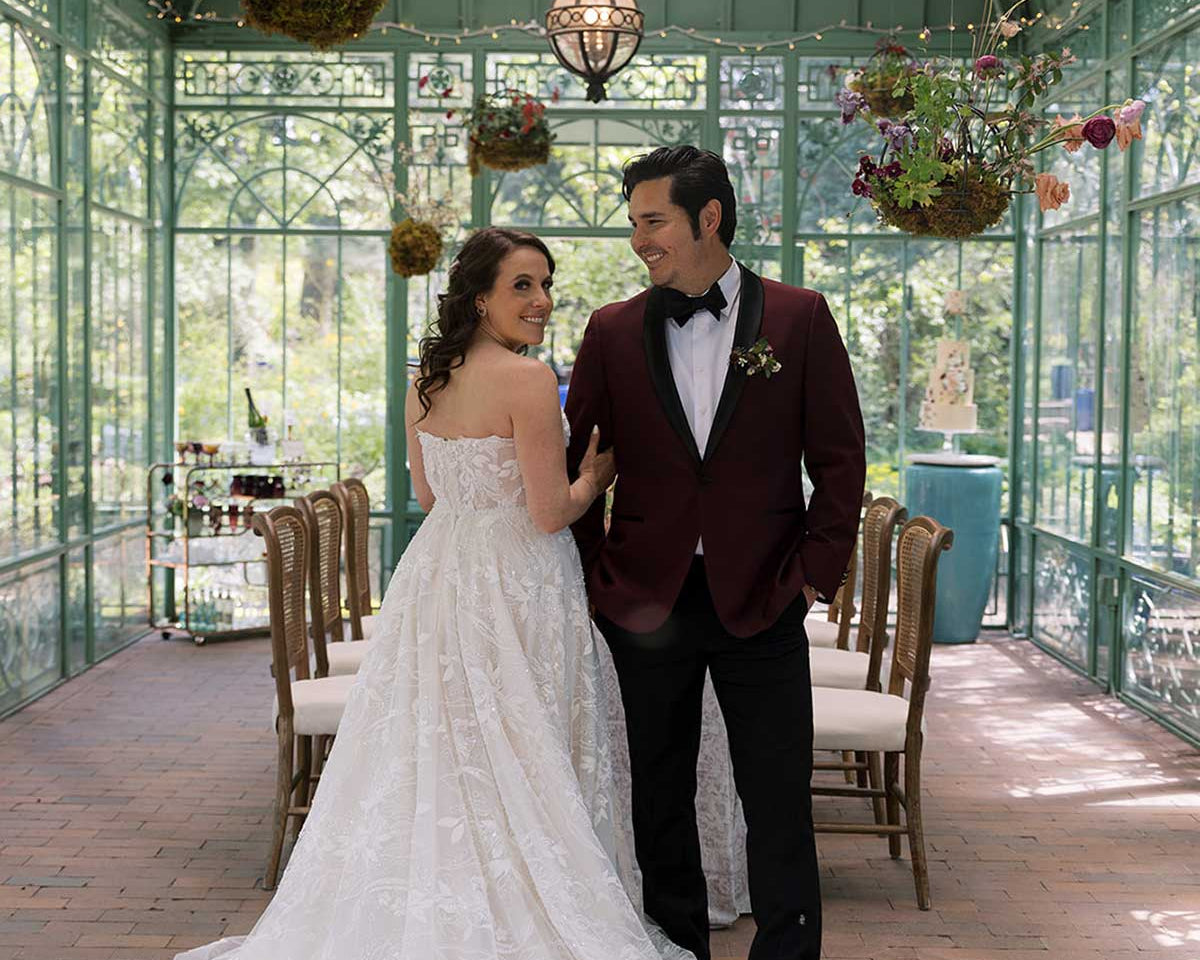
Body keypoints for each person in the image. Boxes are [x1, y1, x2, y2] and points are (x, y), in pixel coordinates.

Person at [175, 227, 693, 960]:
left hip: (440, 573)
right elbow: (549, 512)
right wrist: (596, 478)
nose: (541, 300)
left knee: (442, 742)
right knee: (524, 738)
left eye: (545, 283)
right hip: (520, 578)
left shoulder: (427, 378)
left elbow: (426, 492)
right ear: (479, 298)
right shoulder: (528, 380)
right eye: (522, 285)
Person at [566, 146, 867, 960]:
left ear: (709, 218)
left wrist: (812, 579)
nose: (640, 241)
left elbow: (840, 463)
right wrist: (601, 581)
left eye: (653, 221)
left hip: (764, 595)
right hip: (645, 601)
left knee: (776, 798)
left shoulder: (801, 318)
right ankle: (675, 949)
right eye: (634, 225)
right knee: (658, 797)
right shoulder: (612, 330)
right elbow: (580, 465)